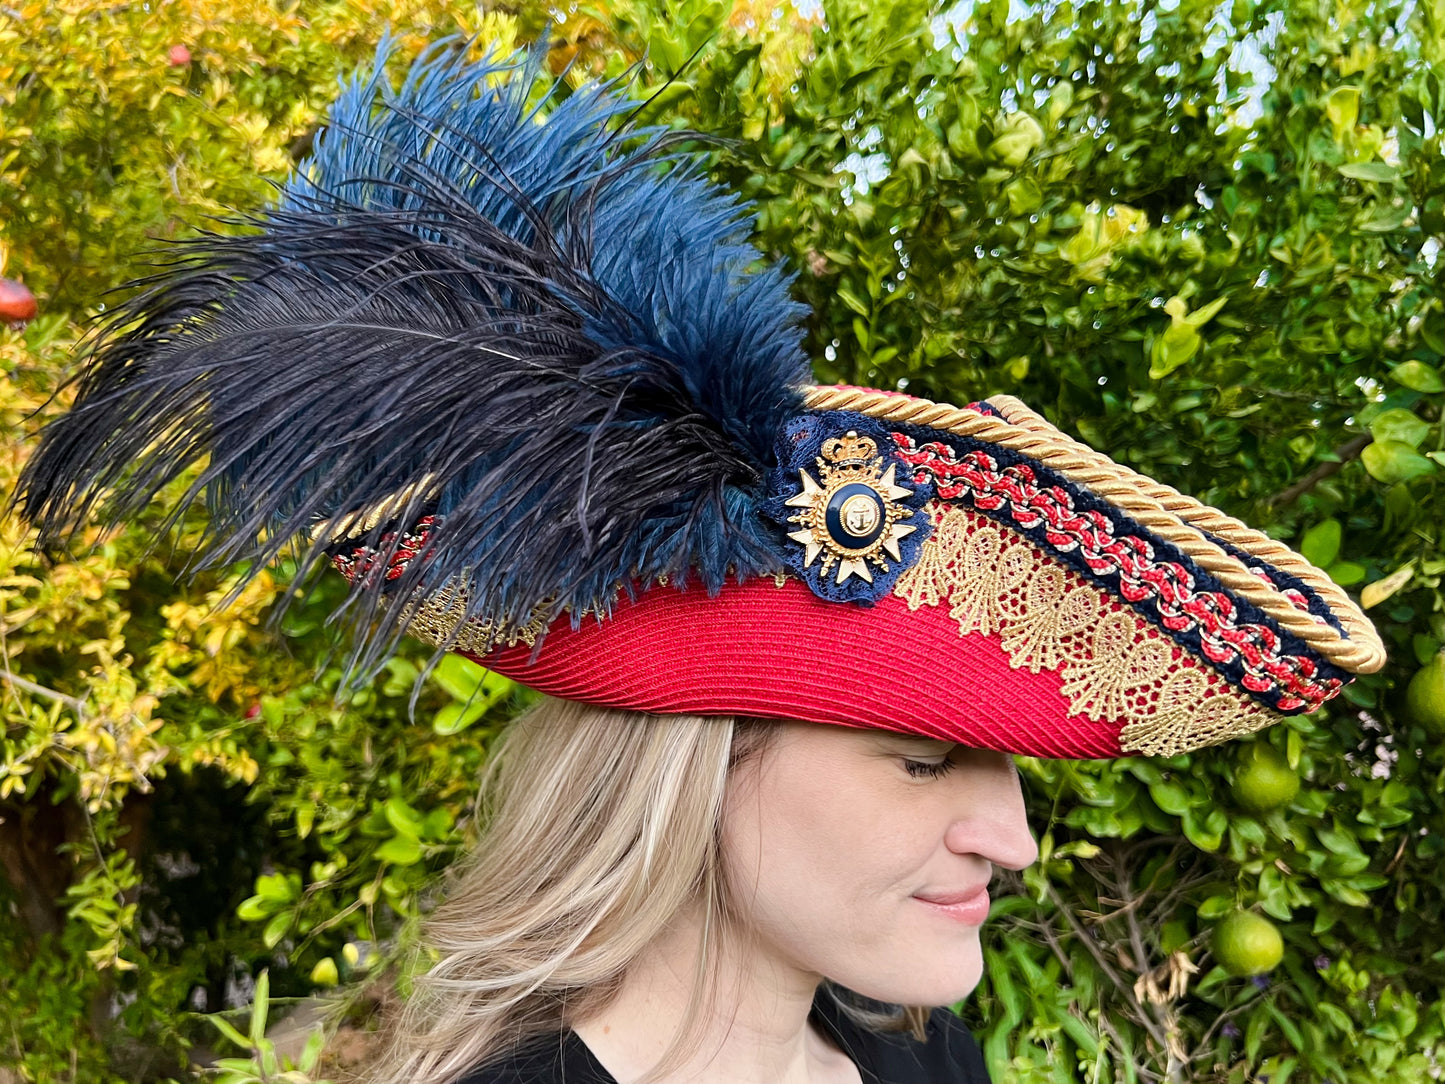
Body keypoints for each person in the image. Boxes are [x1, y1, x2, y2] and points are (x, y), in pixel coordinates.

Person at [18, 41, 1384, 1084]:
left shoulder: (919, 1059)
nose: (1013, 839)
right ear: (692, 760)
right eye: (921, 760)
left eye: (1003, 771)